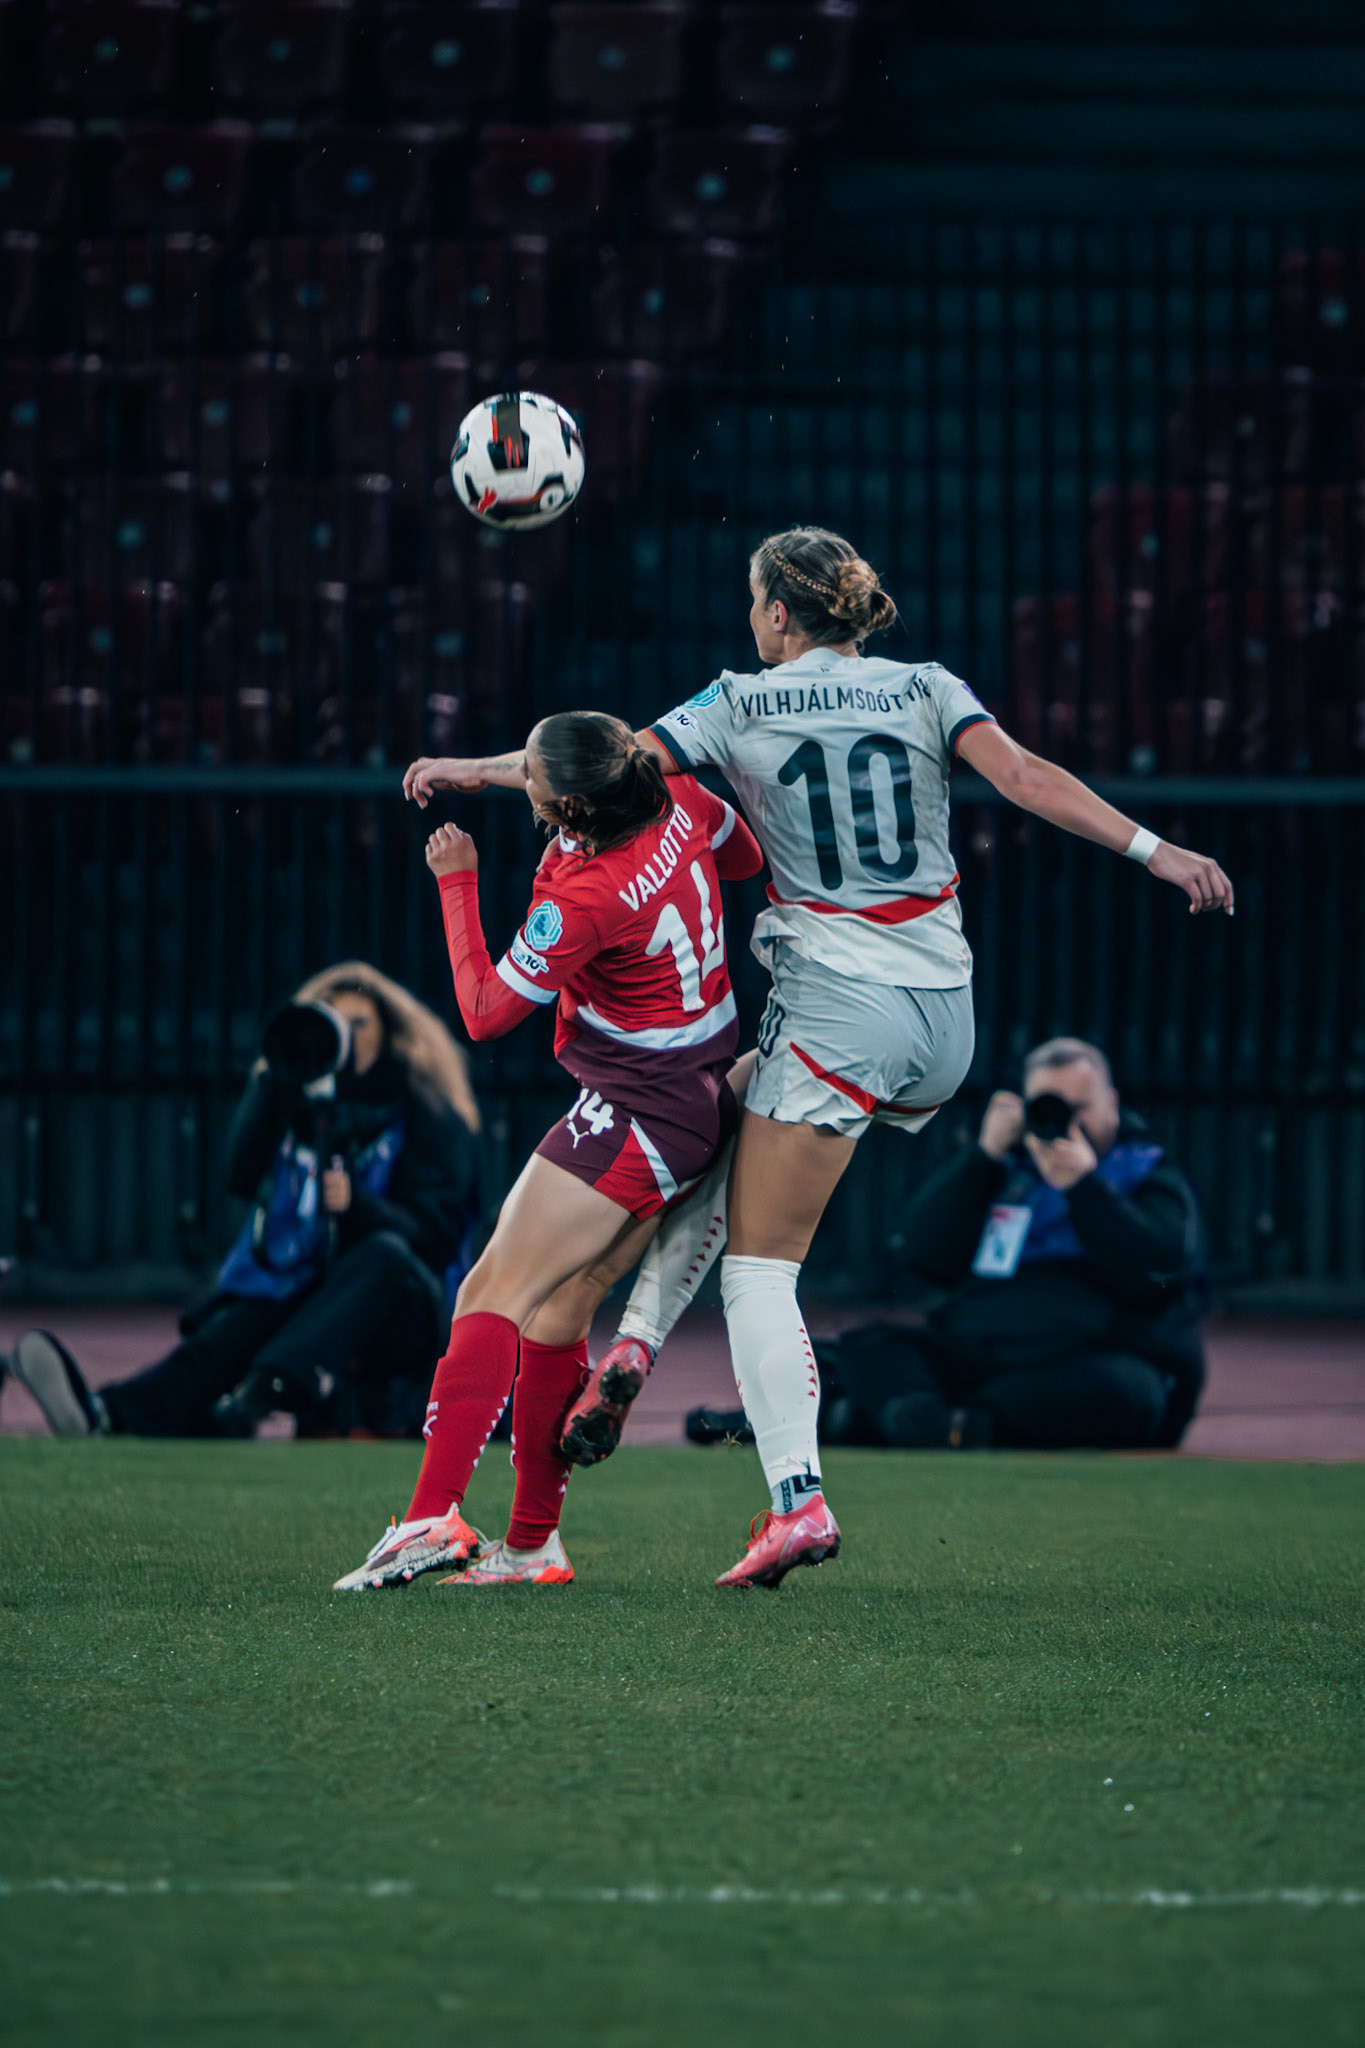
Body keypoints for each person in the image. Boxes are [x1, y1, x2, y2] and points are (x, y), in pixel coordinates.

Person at [404, 525, 1234, 1589]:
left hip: (843, 1010)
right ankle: (638, 1343)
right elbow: (1025, 776)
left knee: (760, 1267)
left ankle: (795, 1498)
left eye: (755, 601)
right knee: (730, 1116)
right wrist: (1159, 852)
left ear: (780, 615)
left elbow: (599, 767)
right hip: (945, 1016)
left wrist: (473, 772)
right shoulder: (929, 685)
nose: (750, 618)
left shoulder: (739, 701)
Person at [333, 708, 763, 1592]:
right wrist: (469, 769)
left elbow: (486, 1013)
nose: (514, 773)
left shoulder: (586, 898)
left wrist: (458, 881)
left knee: (491, 1289)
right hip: (691, 1088)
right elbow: (744, 858)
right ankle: (530, 1546)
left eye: (525, 772)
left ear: (567, 807)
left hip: (636, 1108)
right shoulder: (672, 787)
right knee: (557, 1315)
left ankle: (428, 1518)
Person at [9, 965, 481, 1441]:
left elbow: (437, 1238)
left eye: (358, 1026)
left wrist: (362, 1207)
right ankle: (109, 1414)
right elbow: (239, 1176)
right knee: (255, 1311)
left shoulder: (430, 1114)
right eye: (328, 1023)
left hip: (409, 1313)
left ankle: (262, 1391)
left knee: (383, 1256)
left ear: (392, 1037)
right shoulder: (301, 1103)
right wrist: (275, 1083)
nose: (343, 1038)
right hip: (314, 1300)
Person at [819, 1037, 1209, 1449]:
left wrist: (1084, 1187)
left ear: (1111, 1104)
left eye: (1079, 1109)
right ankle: (926, 1421)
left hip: (1078, 1355)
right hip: (978, 1342)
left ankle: (915, 1423)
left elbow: (1155, 1271)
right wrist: (982, 1158)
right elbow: (921, 1255)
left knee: (1130, 1393)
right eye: (1048, 1107)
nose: (1065, 1124)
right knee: (871, 1347)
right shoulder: (1006, 1167)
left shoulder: (1146, 1170)